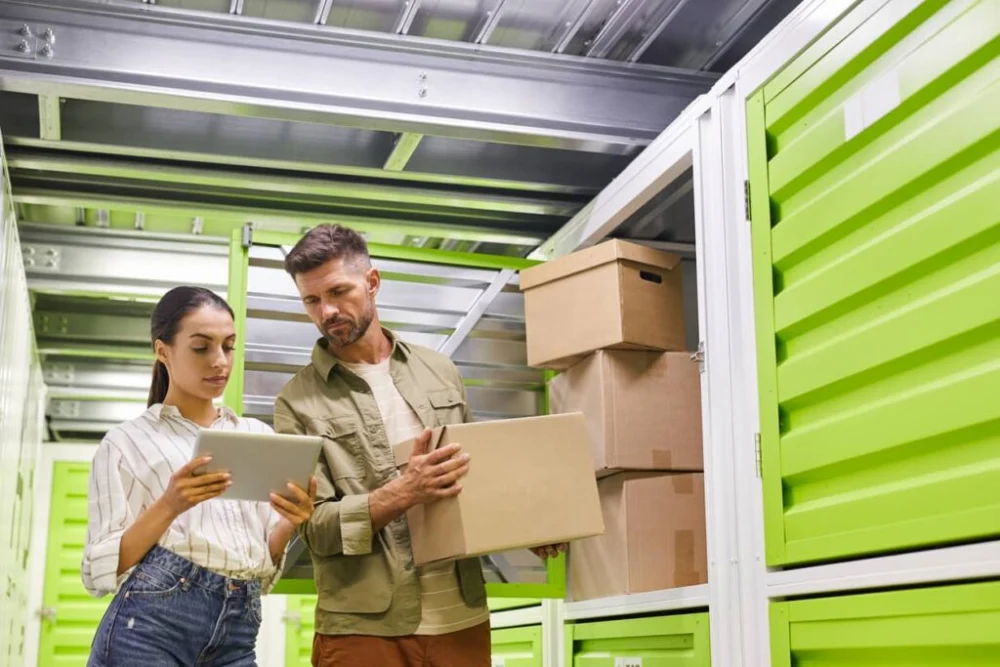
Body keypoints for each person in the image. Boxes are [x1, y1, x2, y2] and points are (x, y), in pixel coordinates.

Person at [272, 224, 565, 667]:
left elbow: (472, 477)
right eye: (312, 300)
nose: (327, 310)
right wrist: (403, 492)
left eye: (338, 291)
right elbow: (315, 528)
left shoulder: (439, 370)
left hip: (460, 618)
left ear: (372, 283)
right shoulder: (295, 402)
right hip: (364, 628)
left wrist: (526, 527)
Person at [82, 286, 316, 667]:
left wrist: (289, 522)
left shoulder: (257, 436)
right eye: (201, 347)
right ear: (163, 351)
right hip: (151, 626)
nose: (219, 361)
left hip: (239, 628)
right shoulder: (127, 442)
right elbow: (99, 571)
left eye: (228, 346)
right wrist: (171, 503)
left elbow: (263, 559)